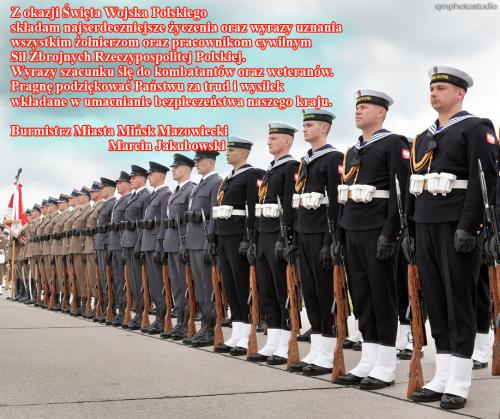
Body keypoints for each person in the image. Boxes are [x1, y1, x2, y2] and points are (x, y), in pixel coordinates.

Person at [407, 66, 498, 409]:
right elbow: (415, 187)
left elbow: (484, 181)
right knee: (436, 300)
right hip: (426, 223)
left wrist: (471, 226)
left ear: (460, 93)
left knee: (458, 301)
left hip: (456, 224)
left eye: (441, 88)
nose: (434, 93)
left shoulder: (476, 127)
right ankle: (442, 375)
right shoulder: (422, 137)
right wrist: (411, 230)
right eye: (432, 88)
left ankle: (459, 381)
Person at [335, 90, 410, 389]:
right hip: (353, 229)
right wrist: (340, 234)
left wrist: (391, 232)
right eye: (356, 107)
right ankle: (368, 359)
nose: (358, 111)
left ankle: (386, 365)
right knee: (362, 297)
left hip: (377, 230)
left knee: (382, 296)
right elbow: (345, 196)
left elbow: (400, 193)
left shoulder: (393, 143)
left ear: (381, 112)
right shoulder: (352, 151)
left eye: (364, 107)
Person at [288, 109, 343, 376]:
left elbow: (336, 202)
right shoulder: (305, 161)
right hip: (304, 232)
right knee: (310, 293)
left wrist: (331, 240)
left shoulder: (333, 158)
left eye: (310, 125)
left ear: (324, 128)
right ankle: (318, 349)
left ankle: (329, 352)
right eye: (304, 125)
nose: (305, 129)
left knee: (324, 293)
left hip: (322, 233)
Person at [247, 121, 299, 365]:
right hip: (264, 234)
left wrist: (285, 238)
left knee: (282, 291)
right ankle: (274, 340)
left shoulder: (291, 167)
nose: (269, 142)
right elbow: (259, 208)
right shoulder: (270, 170)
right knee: (267, 290)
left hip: (278, 234)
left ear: (287, 141)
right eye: (269, 138)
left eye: (274, 138)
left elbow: (289, 205)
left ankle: (287, 342)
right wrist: (254, 240)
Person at [213, 136, 264, 356]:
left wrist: (248, 237)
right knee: (230, 286)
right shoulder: (228, 178)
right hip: (224, 236)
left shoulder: (251, 174)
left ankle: (247, 334)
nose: (227, 153)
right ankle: (237, 332)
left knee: (242, 286)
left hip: (238, 236)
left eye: (231, 150)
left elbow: (253, 209)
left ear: (243, 153)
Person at [183, 151, 222, 347]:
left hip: (204, 241)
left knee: (208, 286)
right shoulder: (199, 185)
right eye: (196, 162)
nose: (196, 164)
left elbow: (215, 213)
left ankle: (211, 328)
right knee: (199, 287)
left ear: (211, 162)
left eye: (200, 161)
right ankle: (204, 327)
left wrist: (210, 240)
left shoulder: (216, 182)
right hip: (193, 241)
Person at [139, 162, 171, 334]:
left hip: (155, 244)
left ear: (160, 175)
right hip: (148, 244)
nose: (149, 177)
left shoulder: (165, 194)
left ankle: (162, 318)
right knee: (153, 283)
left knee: (159, 283)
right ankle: (159, 317)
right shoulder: (154, 195)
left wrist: (160, 244)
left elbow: (164, 222)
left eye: (151, 174)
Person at [121, 165, 151, 330]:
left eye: (133, 178)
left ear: (141, 179)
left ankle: (141, 313)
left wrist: (140, 243)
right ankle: (138, 311)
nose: (130, 180)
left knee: (140, 281)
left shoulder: (145, 195)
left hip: (137, 243)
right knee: (132, 281)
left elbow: (144, 224)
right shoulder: (133, 196)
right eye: (130, 178)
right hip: (128, 242)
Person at [108, 172, 132, 326]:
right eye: (117, 183)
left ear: (129, 184)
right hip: (114, 244)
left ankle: (125, 312)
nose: (117, 185)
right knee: (117, 280)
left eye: (120, 182)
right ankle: (121, 310)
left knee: (124, 281)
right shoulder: (120, 200)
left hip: (122, 244)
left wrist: (123, 245)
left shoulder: (129, 200)